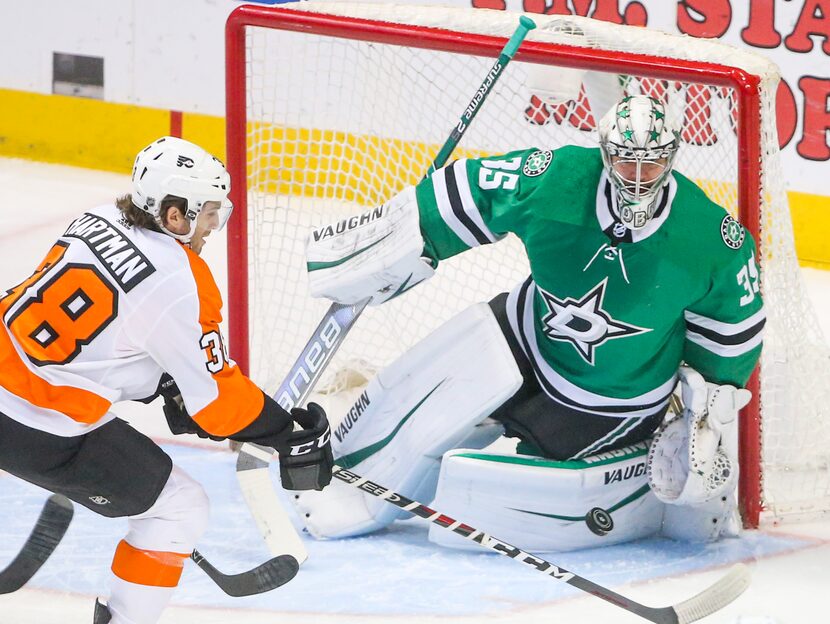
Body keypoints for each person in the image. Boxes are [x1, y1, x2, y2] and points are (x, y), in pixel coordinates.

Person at [293, 95, 764, 552]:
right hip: (522, 333)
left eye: (652, 164)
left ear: (672, 159)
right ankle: (348, 476)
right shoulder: (558, 180)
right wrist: (408, 237)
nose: (638, 178)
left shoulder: (710, 239)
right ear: (604, 154)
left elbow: (735, 327)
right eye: (625, 162)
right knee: (421, 398)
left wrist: (706, 406)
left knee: (479, 493)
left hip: (611, 400)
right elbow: (472, 187)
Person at [0, 136, 333, 624]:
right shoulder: (181, 279)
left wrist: (165, 382)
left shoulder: (94, 217)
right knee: (178, 508)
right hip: (40, 426)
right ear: (174, 215)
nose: (212, 227)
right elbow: (219, 403)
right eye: (207, 214)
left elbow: (94, 336)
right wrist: (288, 436)